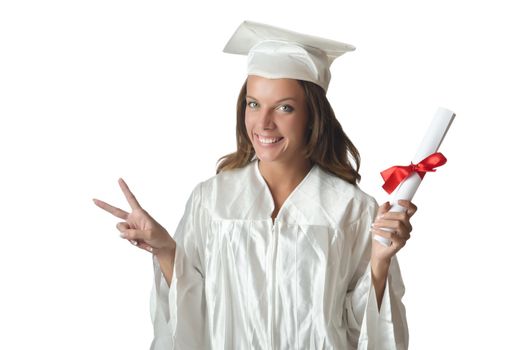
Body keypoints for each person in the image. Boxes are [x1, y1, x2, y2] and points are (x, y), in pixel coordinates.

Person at [93, 20, 417, 350]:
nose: (263, 123)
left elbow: (362, 331)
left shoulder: (350, 209)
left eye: (285, 107)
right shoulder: (213, 200)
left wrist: (379, 263)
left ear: (312, 116)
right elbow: (193, 314)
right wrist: (166, 250)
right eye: (253, 103)